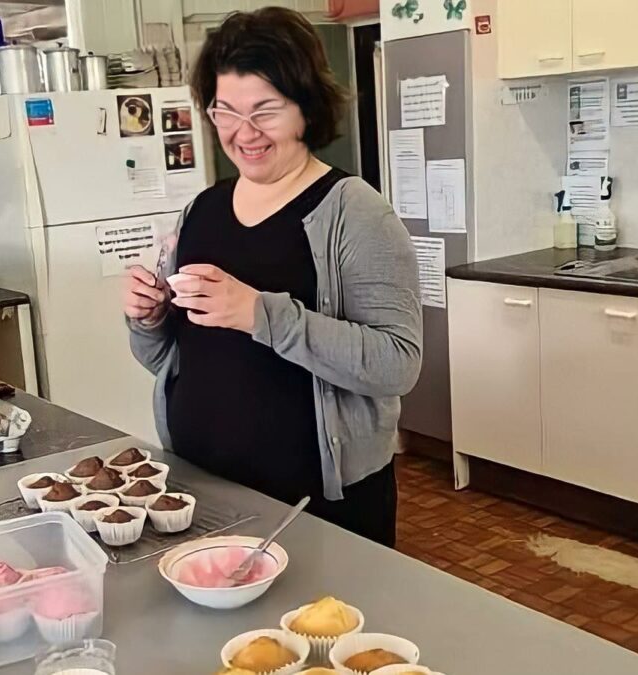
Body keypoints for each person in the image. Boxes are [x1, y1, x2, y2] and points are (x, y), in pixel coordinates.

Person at [123, 7, 422, 547]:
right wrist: (148, 321)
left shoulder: (355, 213)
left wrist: (261, 314)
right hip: (199, 492)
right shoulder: (202, 211)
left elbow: (396, 364)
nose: (244, 133)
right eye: (226, 111)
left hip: (316, 506)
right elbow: (169, 359)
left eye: (266, 110)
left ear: (306, 108)